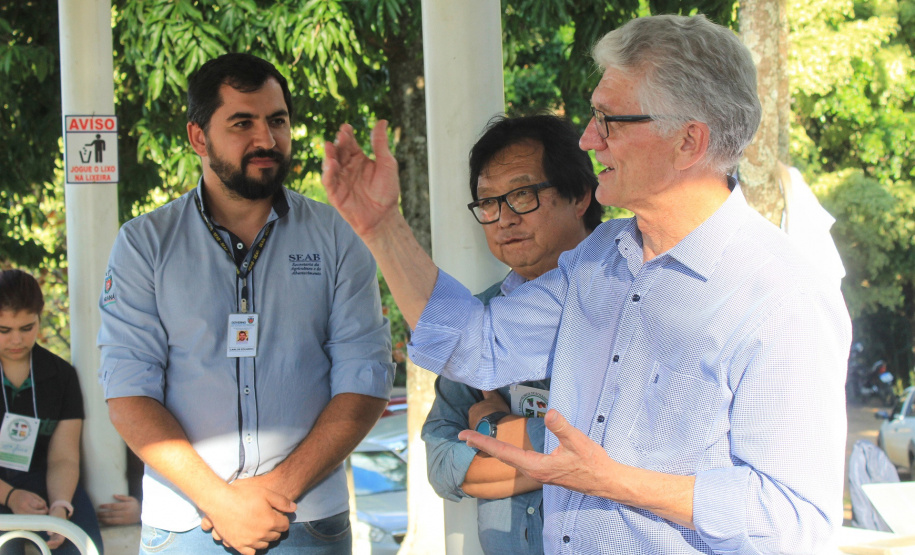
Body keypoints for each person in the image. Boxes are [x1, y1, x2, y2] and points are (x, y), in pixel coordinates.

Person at [322, 14, 851, 555]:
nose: (588, 138)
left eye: (609, 120)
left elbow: (794, 521)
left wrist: (611, 480)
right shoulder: (603, 256)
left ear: (688, 141)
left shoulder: (783, 295)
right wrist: (382, 229)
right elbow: (478, 347)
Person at [98, 53, 395, 555]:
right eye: (242, 123)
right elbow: (129, 393)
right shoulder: (144, 243)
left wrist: (274, 491)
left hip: (306, 521)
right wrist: (221, 502)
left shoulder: (337, 235)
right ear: (199, 138)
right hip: (185, 526)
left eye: (277, 121)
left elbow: (364, 380)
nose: (266, 139)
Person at [421, 114, 600, 554]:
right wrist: (558, 456)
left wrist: (490, 424)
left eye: (521, 195)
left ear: (579, 195)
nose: (503, 219)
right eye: (488, 203)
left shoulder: (622, 302)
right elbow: (440, 461)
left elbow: (613, 447)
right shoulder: (480, 316)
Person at [0, 269, 103, 554]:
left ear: (39, 318)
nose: (16, 340)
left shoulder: (61, 375)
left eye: (27, 328)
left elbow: (64, 457)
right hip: (4, 488)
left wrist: (60, 506)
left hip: (46, 484)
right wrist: (10, 496)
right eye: (4, 330)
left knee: (82, 545)